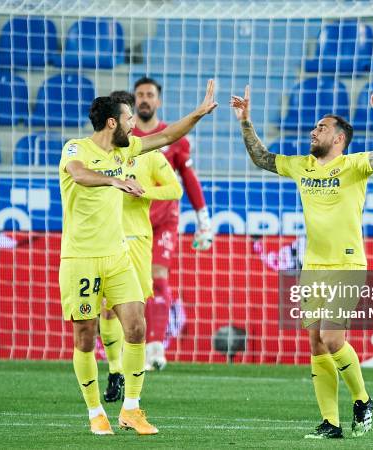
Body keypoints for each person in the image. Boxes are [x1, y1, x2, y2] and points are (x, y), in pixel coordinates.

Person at [231, 79, 373, 439]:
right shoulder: (302, 165)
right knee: (317, 343)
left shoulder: (354, 165)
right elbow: (262, 158)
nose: (313, 131)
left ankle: (363, 399)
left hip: (347, 264)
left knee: (333, 338)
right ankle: (331, 423)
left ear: (339, 138)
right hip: (313, 267)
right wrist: (245, 121)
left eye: (321, 127)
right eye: (314, 126)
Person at [59, 81, 217, 435]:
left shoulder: (126, 149)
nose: (135, 125)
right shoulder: (76, 147)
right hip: (81, 258)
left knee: (137, 326)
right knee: (85, 336)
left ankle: (131, 408)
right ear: (112, 122)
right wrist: (115, 182)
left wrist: (197, 113)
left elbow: (165, 138)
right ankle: (95, 411)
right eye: (129, 118)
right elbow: (79, 174)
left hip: (118, 256)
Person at [98, 90, 183, 404]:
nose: (132, 122)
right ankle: (115, 370)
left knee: (132, 312)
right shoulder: (100, 153)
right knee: (106, 310)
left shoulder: (149, 155)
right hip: (104, 239)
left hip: (136, 241)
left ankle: (134, 384)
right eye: (127, 117)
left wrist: (144, 192)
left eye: (133, 117)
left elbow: (174, 190)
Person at [131, 77, 214, 370]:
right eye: (140, 94)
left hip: (164, 219)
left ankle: (154, 347)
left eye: (150, 95)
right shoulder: (125, 138)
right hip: (132, 220)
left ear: (158, 101)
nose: (144, 99)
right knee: (129, 284)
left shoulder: (173, 136)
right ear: (133, 100)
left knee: (159, 276)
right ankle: (128, 348)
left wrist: (204, 220)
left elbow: (189, 179)